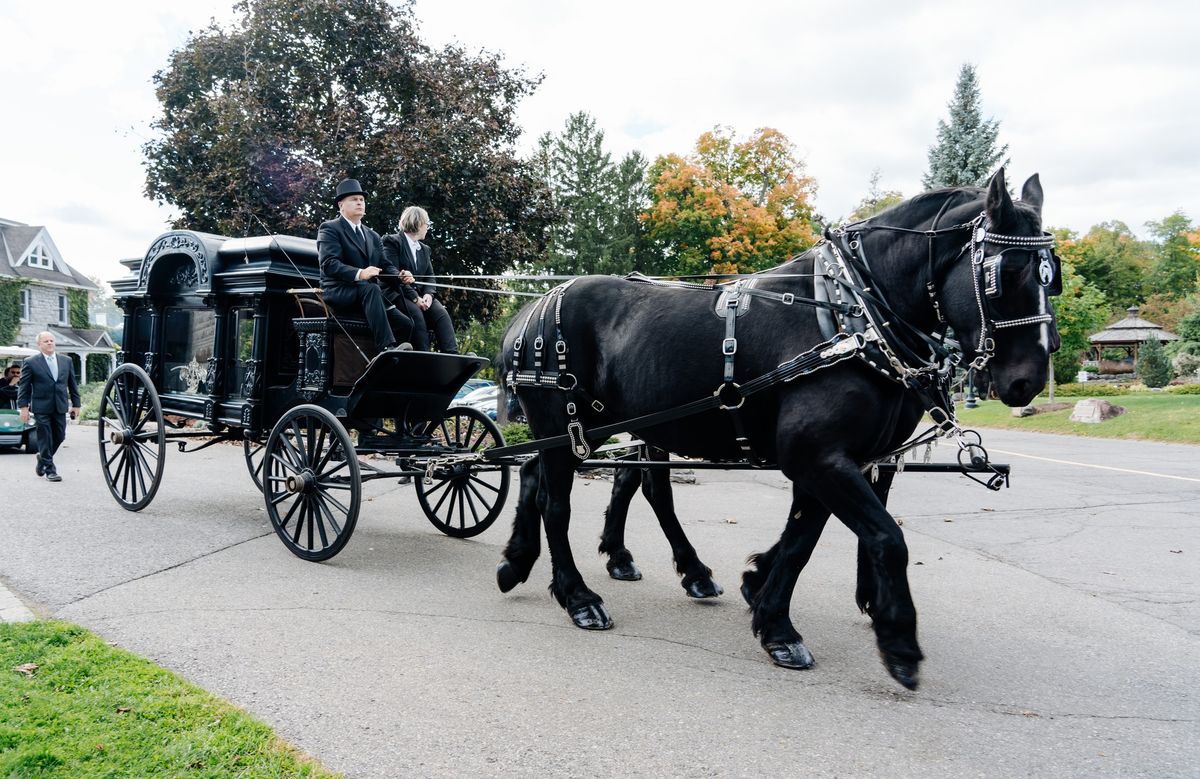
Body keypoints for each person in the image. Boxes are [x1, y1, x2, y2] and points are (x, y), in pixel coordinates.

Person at [317, 178, 415, 352]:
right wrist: (360, 273)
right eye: (354, 199)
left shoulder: (373, 235)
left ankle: (392, 367)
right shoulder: (330, 228)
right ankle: (386, 349)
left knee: (405, 324)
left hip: (368, 295)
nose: (359, 202)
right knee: (371, 289)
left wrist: (399, 276)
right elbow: (329, 264)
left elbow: (384, 265)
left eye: (361, 199)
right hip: (340, 291)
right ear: (341, 205)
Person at [382, 206, 458, 354]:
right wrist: (415, 298)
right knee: (416, 315)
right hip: (397, 293)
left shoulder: (424, 249)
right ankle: (424, 355)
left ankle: (452, 355)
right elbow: (392, 274)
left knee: (441, 314)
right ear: (417, 223)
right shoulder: (392, 242)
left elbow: (430, 275)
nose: (427, 228)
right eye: (426, 224)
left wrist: (429, 295)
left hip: (421, 296)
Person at [17, 332, 80, 482]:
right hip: (41, 407)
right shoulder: (30, 362)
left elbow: (72, 384)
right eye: (46, 341)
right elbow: (24, 387)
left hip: (60, 405)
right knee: (45, 436)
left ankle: (43, 457)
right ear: (39, 345)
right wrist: (23, 408)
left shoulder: (66, 360)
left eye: (52, 340)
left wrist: (76, 404)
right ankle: (50, 470)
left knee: (60, 435)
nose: (50, 343)